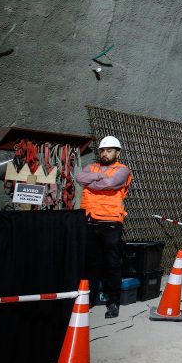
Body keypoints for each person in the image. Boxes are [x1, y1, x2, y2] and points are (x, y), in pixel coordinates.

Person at [75, 135, 132, 318]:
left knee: (112, 264)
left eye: (109, 150)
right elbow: (79, 177)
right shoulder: (92, 167)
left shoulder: (122, 170)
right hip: (90, 220)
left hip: (111, 222)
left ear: (117, 153)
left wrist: (92, 181)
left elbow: (111, 183)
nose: (105, 154)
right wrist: (100, 175)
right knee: (91, 263)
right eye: (102, 150)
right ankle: (88, 300)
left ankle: (113, 302)